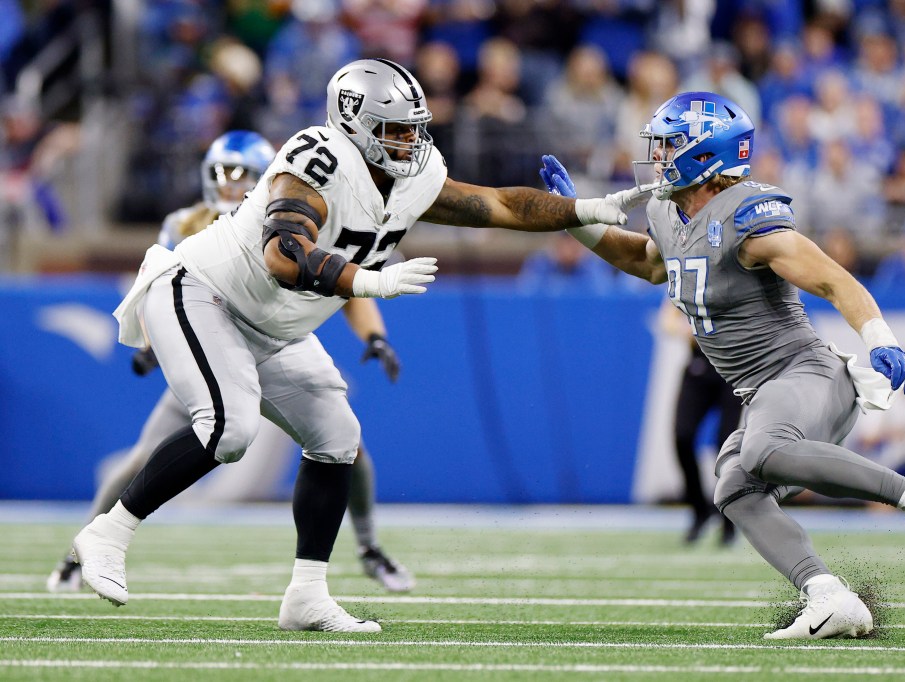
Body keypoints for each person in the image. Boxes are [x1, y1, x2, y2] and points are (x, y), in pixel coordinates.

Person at [70, 58, 637, 633]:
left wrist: (582, 210)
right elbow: (283, 253)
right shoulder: (316, 160)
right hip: (203, 293)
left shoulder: (413, 173)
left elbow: (498, 204)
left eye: (415, 127)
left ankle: (306, 595)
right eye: (394, 129)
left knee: (338, 439)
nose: (409, 140)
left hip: (277, 327)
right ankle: (107, 534)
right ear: (354, 122)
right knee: (230, 428)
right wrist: (370, 281)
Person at [537, 90, 905, 640]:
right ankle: (828, 595)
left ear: (706, 154)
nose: (659, 156)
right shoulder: (668, 213)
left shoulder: (748, 216)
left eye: (671, 144)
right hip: (760, 390)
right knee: (735, 487)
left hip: (804, 373)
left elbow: (833, 279)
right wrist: (577, 219)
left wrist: (879, 337)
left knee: (761, 451)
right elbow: (646, 262)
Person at [48, 130, 415, 595]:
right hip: (210, 355)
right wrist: (152, 345)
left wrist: (375, 335)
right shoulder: (187, 224)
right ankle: (84, 549)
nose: (229, 184)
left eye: (241, 174)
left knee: (343, 442)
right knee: (155, 453)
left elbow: (347, 283)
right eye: (222, 173)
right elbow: (164, 286)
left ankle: (368, 547)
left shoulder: (302, 214)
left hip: (272, 348)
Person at [656, 299, 740, 545]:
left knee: (725, 446)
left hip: (731, 368)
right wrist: (686, 329)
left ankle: (728, 518)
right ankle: (698, 509)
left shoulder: (737, 273)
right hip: (699, 364)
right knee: (682, 436)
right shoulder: (692, 271)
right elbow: (668, 318)